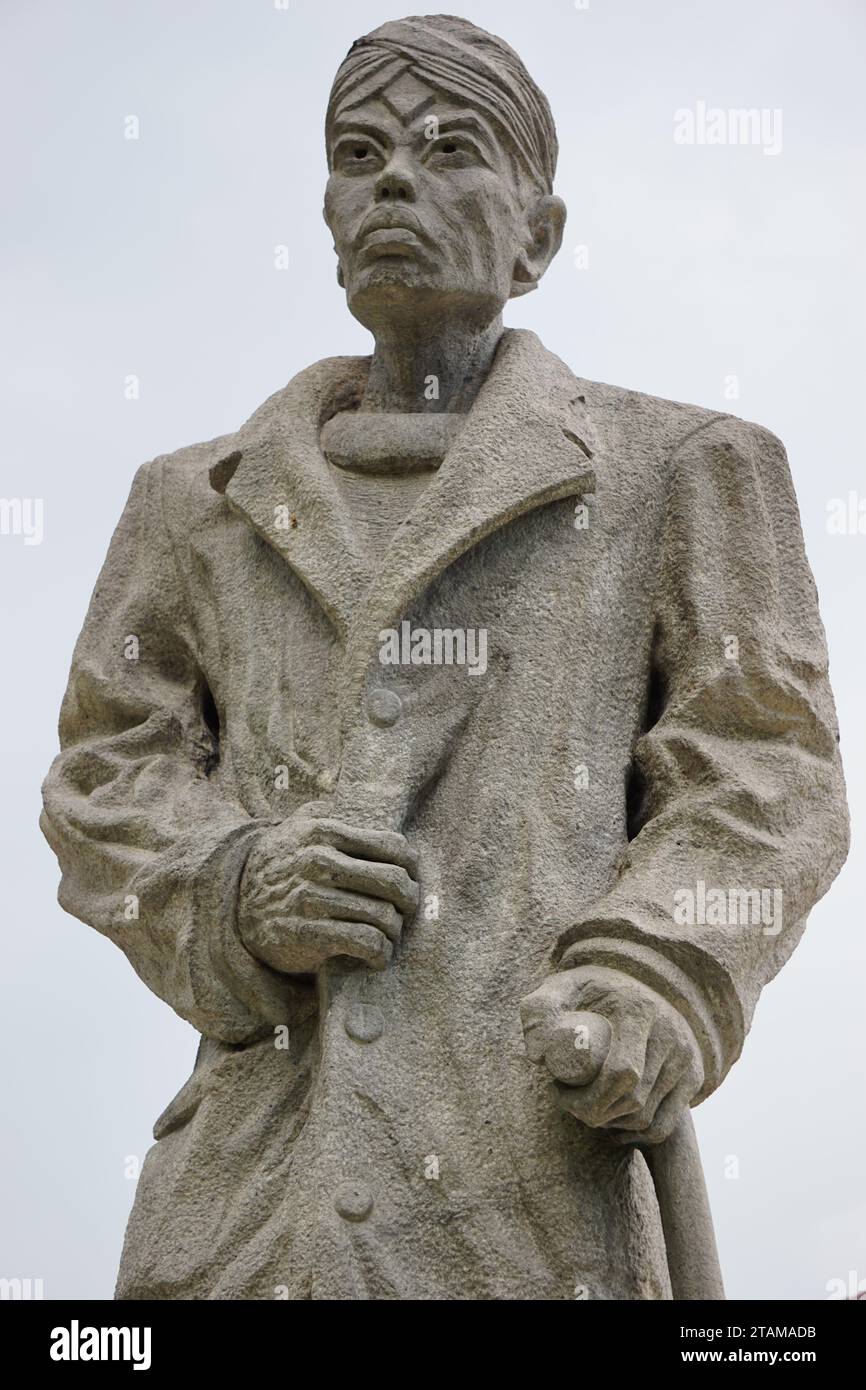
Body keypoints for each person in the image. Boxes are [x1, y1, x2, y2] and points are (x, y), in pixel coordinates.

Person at [42, 15, 848, 1300]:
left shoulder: (683, 470)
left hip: (531, 1195)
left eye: (447, 148)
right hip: (247, 1222)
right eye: (356, 154)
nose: (393, 181)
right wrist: (236, 885)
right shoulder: (188, 502)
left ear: (539, 235)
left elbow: (762, 776)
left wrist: (649, 975)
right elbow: (104, 779)